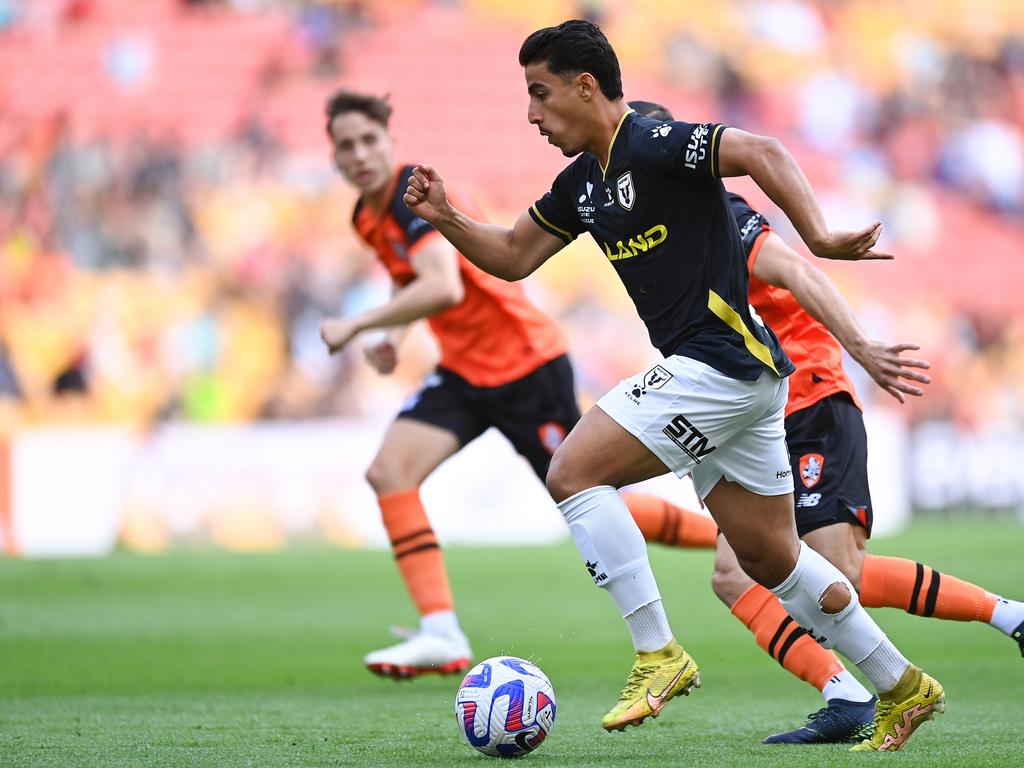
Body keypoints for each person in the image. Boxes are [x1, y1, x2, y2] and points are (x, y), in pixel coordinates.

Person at [403, 19, 944, 751]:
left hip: (716, 367)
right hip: (741, 386)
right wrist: (444, 217)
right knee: (773, 560)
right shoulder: (580, 185)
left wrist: (816, 234)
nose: (531, 115)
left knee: (573, 471)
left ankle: (658, 651)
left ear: (585, 85)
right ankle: (902, 684)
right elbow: (510, 256)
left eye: (540, 94)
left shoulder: (652, 143)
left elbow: (763, 149)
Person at [625, 100, 1024, 744]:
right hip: (746, 410)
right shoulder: (654, 228)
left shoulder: (720, 216)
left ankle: (1008, 617)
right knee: (737, 573)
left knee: (841, 577)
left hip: (805, 394)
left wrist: (863, 347)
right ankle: (844, 692)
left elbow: (796, 272)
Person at [318, 91, 718, 680]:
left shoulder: (411, 196)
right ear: (334, 157)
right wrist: (398, 336)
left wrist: (357, 323)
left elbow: (444, 286)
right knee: (390, 473)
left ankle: (731, 538)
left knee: (592, 498)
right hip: (465, 370)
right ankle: (440, 631)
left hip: (526, 365)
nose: (359, 155)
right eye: (345, 146)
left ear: (390, 143)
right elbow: (417, 282)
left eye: (368, 140)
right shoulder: (367, 215)